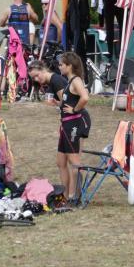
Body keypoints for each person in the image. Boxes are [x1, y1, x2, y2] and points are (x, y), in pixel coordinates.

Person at [56, 52, 91, 199]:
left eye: (61, 65)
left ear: (69, 66)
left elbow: (85, 97)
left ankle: (76, 195)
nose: (59, 67)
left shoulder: (76, 80)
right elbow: (70, 100)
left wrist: (75, 110)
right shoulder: (69, 81)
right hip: (65, 125)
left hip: (73, 125)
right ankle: (64, 195)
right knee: (60, 161)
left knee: (74, 161)